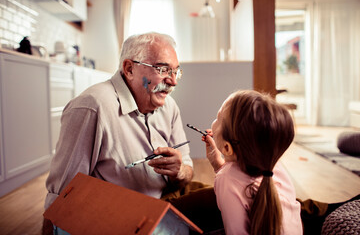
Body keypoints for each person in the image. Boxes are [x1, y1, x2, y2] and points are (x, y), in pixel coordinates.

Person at [43, 32, 223, 234]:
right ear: (129, 69)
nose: (173, 81)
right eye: (163, 69)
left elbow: (187, 170)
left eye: (176, 71)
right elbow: (63, 193)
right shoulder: (92, 107)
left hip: (166, 195)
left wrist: (179, 170)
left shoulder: (169, 106)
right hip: (126, 216)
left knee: (228, 200)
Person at [201, 90, 303, 235]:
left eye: (218, 118)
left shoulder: (226, 178)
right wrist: (219, 165)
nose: (214, 122)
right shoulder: (274, 166)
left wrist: (222, 171)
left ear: (227, 147)